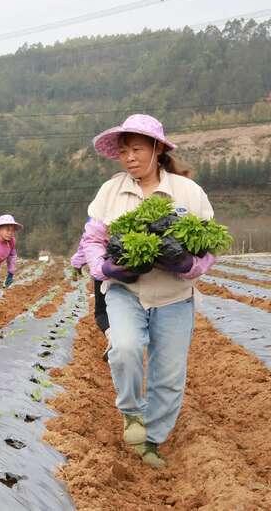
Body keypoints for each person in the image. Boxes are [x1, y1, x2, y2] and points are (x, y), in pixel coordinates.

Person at [79, 114, 216, 468]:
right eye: (123, 151)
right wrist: (105, 267)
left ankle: (151, 440)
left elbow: (210, 244)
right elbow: (93, 239)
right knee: (124, 348)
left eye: (137, 149)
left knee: (168, 377)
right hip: (126, 291)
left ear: (156, 149)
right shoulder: (111, 190)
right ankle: (131, 414)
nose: (129, 158)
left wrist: (189, 266)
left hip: (174, 296)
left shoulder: (188, 192)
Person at [70, 224, 111, 361]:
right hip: (127, 271)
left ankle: (112, 337)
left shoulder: (96, 224)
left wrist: (76, 264)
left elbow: (86, 244)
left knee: (101, 312)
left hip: (103, 270)